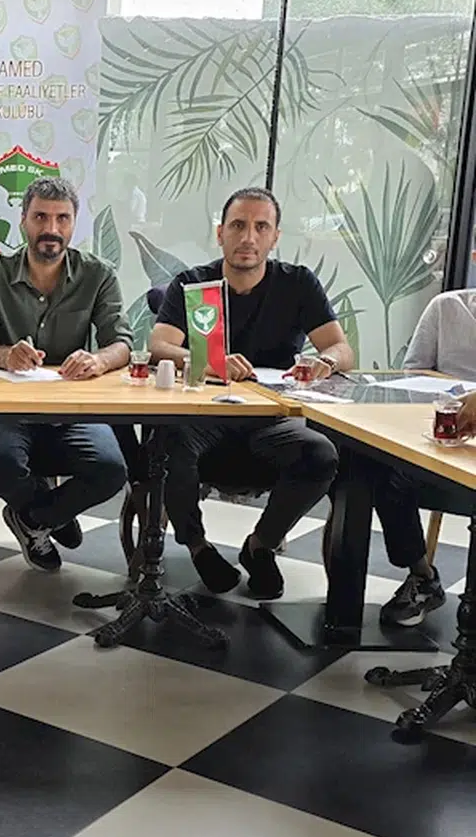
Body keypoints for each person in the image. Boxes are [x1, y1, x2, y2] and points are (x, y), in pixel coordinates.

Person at [149, 187, 353, 600]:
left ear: (275, 237)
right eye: (238, 226)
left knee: (322, 454)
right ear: (220, 233)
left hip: (269, 421)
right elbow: (159, 345)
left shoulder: (297, 284)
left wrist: (325, 361)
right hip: (203, 419)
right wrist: (207, 360)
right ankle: (197, 546)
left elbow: (342, 348)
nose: (248, 237)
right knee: (166, 441)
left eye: (261, 227)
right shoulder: (194, 283)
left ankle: (261, 545)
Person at [0, 176, 132, 571]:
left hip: (72, 405)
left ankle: (34, 518)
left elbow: (121, 342)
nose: (51, 228)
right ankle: (51, 512)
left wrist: (99, 361)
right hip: (6, 406)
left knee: (111, 470)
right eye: (40, 217)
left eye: (62, 218)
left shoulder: (98, 274)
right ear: (23, 221)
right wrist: (5, 356)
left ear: (74, 223)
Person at [365, 289, 476, 626]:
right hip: (446, 437)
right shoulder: (447, 307)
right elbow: (413, 377)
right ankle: (422, 575)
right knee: (382, 469)